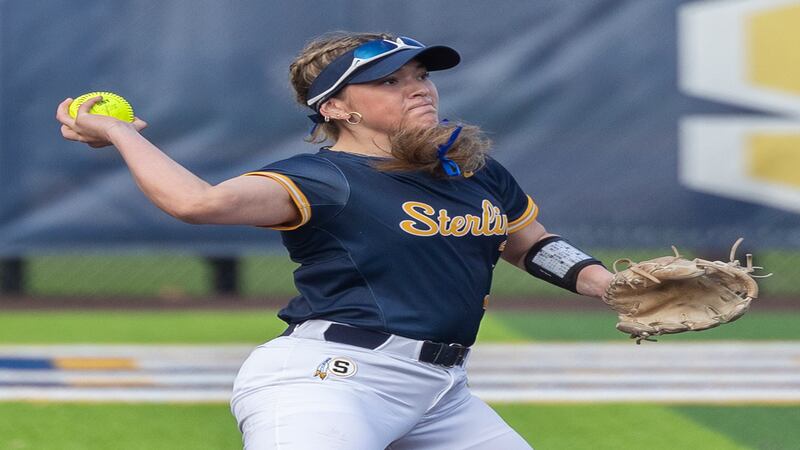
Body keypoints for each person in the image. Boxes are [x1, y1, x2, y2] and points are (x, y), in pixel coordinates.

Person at [57, 31, 614, 450]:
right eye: (390, 81)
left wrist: (610, 284)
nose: (417, 88)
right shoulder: (323, 178)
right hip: (330, 382)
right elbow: (196, 203)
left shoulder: (472, 170)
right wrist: (119, 132)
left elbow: (528, 242)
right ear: (335, 107)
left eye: (420, 74)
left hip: (443, 392)